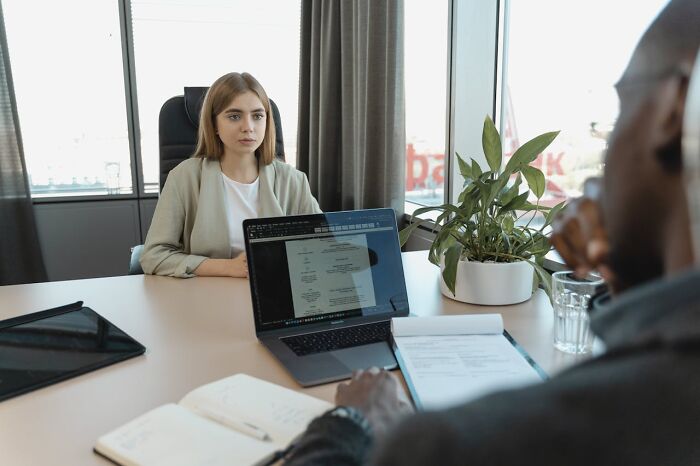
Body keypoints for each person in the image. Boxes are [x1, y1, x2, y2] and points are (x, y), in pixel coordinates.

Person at [283, 1, 700, 464]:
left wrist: (348, 423)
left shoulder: (461, 444)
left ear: (671, 110)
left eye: (621, 107)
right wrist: (627, 264)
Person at [141, 72, 321, 278]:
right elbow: (153, 256)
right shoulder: (183, 177)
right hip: (205, 296)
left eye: (257, 116)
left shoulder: (294, 180)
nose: (248, 127)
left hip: (275, 294)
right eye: (234, 116)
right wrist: (228, 268)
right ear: (214, 124)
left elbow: (323, 245)